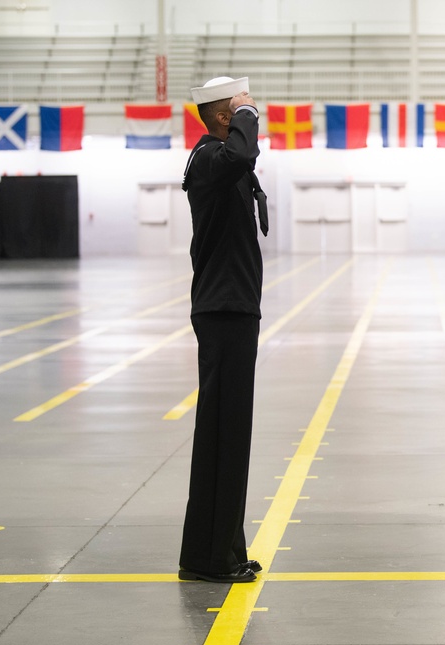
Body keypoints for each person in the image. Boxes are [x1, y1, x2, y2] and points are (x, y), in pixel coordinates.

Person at [178, 75, 268, 584]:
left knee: (232, 435)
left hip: (234, 309)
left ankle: (224, 549)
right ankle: (208, 558)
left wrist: (243, 117)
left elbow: (244, 158)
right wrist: (245, 114)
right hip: (224, 309)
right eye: (242, 108)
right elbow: (240, 155)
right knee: (221, 434)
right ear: (222, 118)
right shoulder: (210, 157)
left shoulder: (218, 158)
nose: (254, 114)